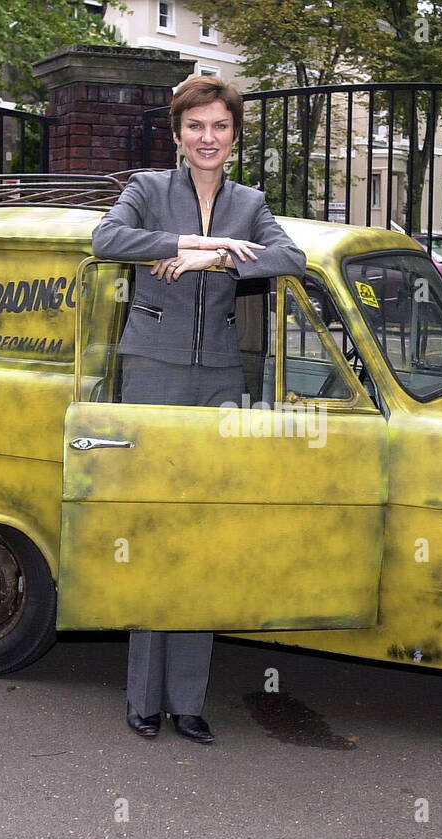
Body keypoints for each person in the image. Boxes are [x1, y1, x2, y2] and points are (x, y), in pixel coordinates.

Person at [90, 76, 307, 744]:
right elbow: (105, 239)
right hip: (152, 372)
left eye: (219, 127)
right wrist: (174, 245)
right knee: (155, 531)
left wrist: (209, 259)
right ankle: (143, 698)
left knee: (202, 535)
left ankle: (187, 700)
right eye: (195, 127)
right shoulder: (149, 191)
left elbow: (290, 257)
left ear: (233, 136)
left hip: (218, 377)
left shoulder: (250, 202)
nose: (207, 138)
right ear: (178, 134)